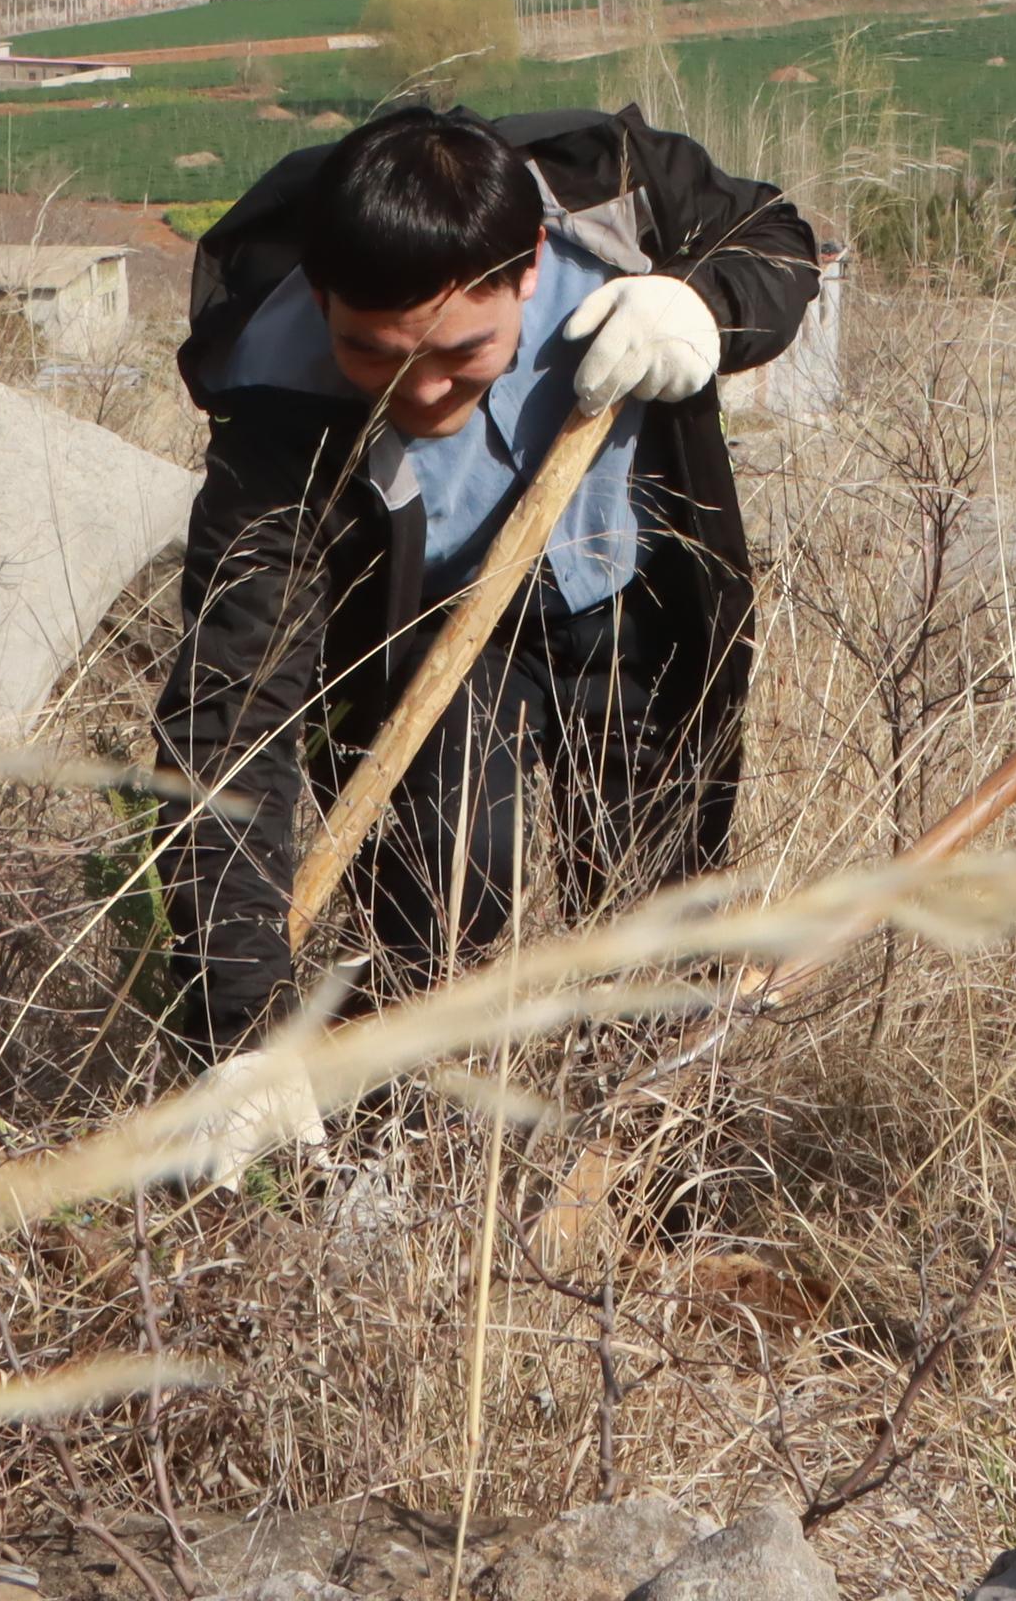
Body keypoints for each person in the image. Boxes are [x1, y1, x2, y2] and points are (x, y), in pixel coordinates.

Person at [151, 101, 818, 1059]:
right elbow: (231, 716)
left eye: (462, 352)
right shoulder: (276, 409)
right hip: (442, 634)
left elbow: (777, 238)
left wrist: (706, 302)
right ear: (322, 297)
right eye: (374, 353)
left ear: (529, 266)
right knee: (445, 893)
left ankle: (644, 1123)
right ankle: (386, 1115)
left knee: (658, 912)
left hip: (636, 606)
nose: (421, 391)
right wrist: (240, 1031)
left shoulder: (615, 200)